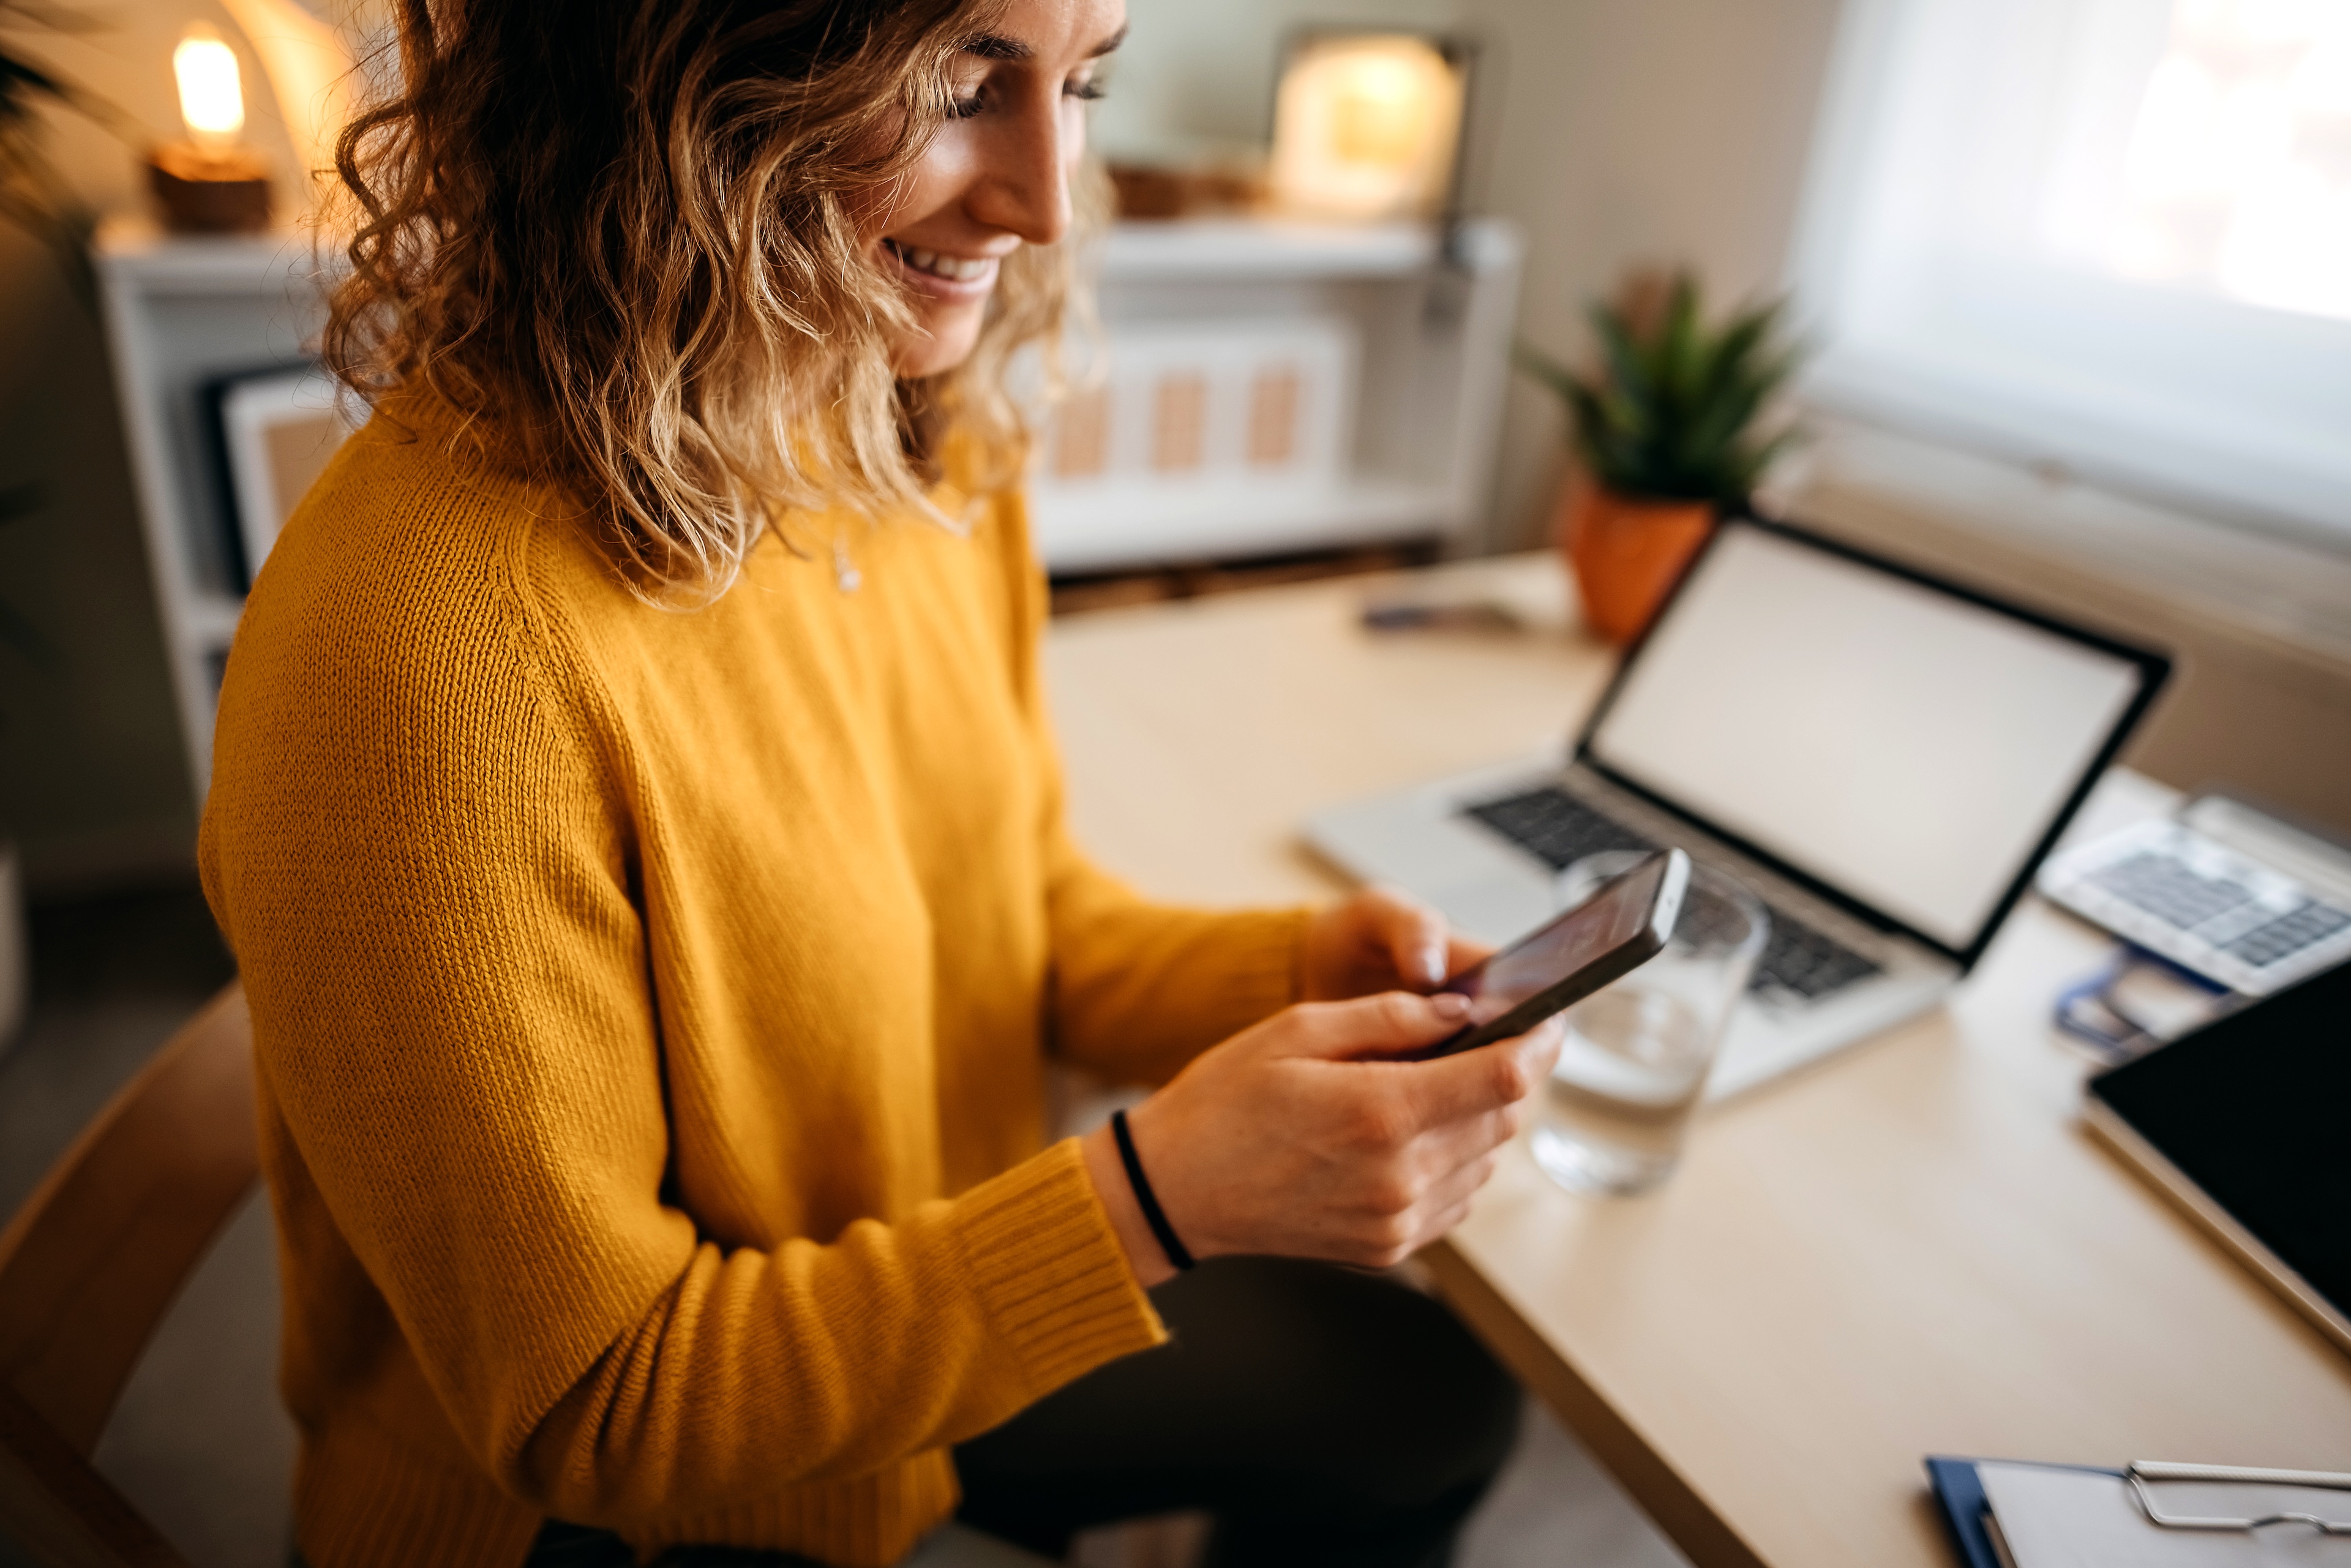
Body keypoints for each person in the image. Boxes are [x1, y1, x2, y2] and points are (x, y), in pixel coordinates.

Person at [198, 2, 1562, 1565]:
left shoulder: (907, 438)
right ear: (669, 78)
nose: (1048, 201)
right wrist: (1153, 1200)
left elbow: (1012, 918)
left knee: (1430, 1407)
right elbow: (597, 1408)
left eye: (1083, 84)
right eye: (954, 88)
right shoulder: (425, 659)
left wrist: (1283, 976)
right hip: (614, 1515)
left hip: (905, 1281)